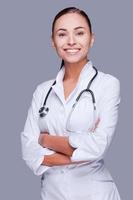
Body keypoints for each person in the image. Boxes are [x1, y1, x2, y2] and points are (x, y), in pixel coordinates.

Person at [21, 7, 122, 200]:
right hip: (52, 193)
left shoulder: (107, 85)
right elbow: (28, 150)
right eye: (62, 34)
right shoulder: (42, 91)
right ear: (53, 42)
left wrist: (45, 140)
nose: (71, 41)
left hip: (96, 194)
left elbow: (98, 147)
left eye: (79, 33)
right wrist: (79, 151)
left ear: (91, 38)